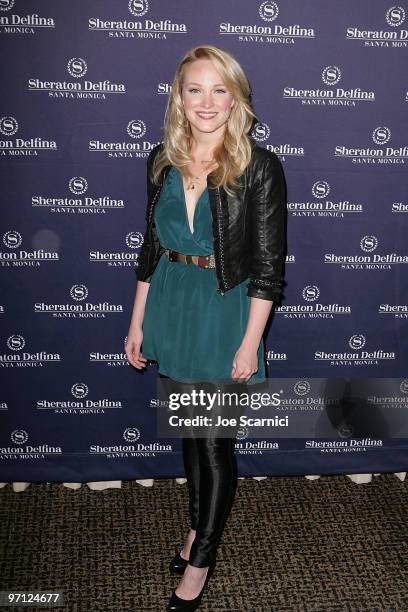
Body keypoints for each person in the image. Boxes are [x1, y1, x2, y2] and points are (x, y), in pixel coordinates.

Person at [126, 44, 287, 611]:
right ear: (179, 96)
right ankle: (197, 526)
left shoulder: (260, 167)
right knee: (191, 439)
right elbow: (151, 249)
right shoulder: (160, 160)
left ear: (236, 97)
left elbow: (269, 268)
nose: (207, 102)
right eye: (196, 88)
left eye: (220, 89)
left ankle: (201, 559)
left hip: (225, 311)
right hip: (173, 304)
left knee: (215, 445)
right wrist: (137, 322)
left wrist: (250, 342)